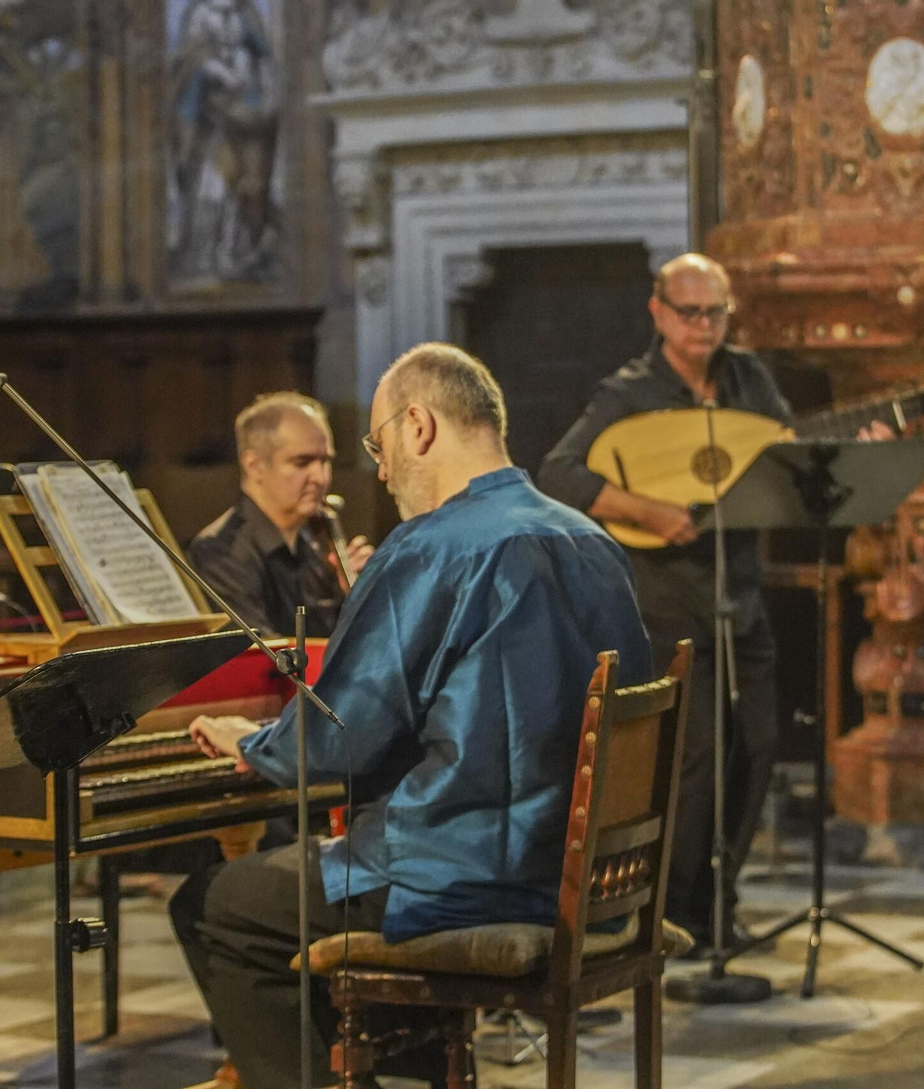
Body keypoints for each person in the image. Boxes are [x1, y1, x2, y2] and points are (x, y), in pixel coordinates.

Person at [170, 343, 653, 1089]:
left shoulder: (431, 548)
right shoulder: (593, 540)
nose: (382, 468)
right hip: (590, 877)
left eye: (379, 444)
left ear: (419, 425)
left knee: (213, 904)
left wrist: (255, 741)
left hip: (465, 875)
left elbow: (339, 737)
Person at [538, 253, 889, 957]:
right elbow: (558, 472)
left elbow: (785, 456)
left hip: (741, 592)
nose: (705, 326)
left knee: (756, 746)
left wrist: (855, 450)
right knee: (692, 757)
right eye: (691, 312)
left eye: (717, 313)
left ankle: (719, 903)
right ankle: (673, 913)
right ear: (659, 312)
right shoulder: (628, 393)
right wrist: (646, 508)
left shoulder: (749, 380)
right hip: (667, 600)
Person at [190, 392, 371, 638]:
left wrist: (354, 598)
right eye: (302, 462)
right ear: (254, 465)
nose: (320, 478)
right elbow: (262, 658)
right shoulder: (220, 552)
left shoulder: (315, 542)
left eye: (325, 460)